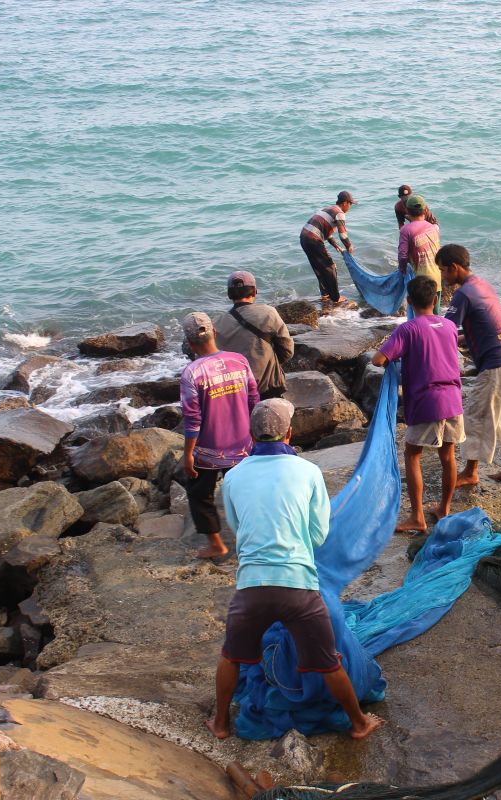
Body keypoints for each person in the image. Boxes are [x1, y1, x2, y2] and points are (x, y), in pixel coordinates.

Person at [207, 398, 384, 741]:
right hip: (298, 586)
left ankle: (221, 724)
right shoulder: (308, 471)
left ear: (251, 435)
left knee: (231, 655)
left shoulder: (233, 475)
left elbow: (236, 525)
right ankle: (359, 723)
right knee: (328, 661)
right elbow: (319, 532)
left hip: (252, 587)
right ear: (289, 433)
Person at [371, 277, 463, 533]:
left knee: (413, 454)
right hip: (453, 399)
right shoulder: (449, 326)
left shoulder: (408, 329)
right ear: (435, 299)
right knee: (448, 456)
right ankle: (444, 508)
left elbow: (378, 360)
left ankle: (418, 517)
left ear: (409, 301)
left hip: (426, 401)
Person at [437, 244, 501, 486]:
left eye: (444, 271)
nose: (443, 276)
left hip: (496, 366)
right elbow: (480, 326)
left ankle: (470, 472)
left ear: (455, 268)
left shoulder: (463, 294)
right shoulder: (481, 284)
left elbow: (446, 330)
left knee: (476, 416)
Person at [179, 312, 260, 559]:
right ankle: (253, 540)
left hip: (208, 451)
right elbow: (254, 400)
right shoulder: (239, 361)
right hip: (243, 445)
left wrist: (188, 454)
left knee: (199, 494)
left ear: (190, 344)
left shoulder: (192, 373)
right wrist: (256, 438)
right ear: (215, 333)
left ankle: (217, 544)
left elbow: (193, 420)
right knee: (245, 494)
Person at [214, 271, 294, 399]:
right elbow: (287, 351)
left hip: (235, 394)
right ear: (255, 291)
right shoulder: (268, 313)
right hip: (267, 389)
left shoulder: (218, 323)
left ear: (229, 294)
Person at [299, 191, 357, 309]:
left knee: (319, 267)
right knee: (330, 266)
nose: (350, 207)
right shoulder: (339, 213)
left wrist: (336, 246)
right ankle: (335, 298)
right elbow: (343, 235)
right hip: (313, 239)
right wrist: (349, 246)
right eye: (350, 204)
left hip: (304, 238)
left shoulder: (328, 209)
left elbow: (327, 234)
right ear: (345, 203)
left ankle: (325, 294)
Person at [398, 195, 442, 310]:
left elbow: (402, 255)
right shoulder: (434, 228)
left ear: (407, 211)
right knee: (435, 314)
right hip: (437, 276)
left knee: (420, 315)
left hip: (421, 281)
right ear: (425, 210)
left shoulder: (406, 230)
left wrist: (402, 271)